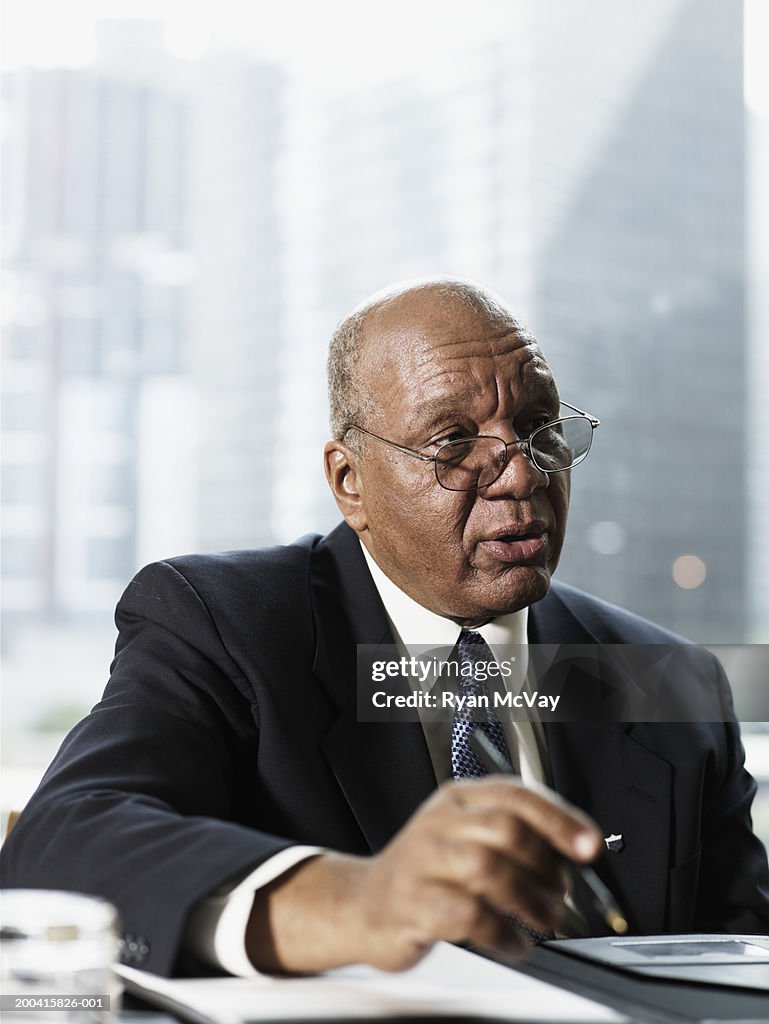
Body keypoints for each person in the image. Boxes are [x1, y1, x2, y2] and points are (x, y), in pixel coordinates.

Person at [2, 278, 768, 978]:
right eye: (454, 443)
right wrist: (356, 900)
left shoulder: (666, 677)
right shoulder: (223, 622)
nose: (524, 474)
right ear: (350, 483)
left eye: (539, 428)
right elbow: (64, 842)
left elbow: (742, 960)